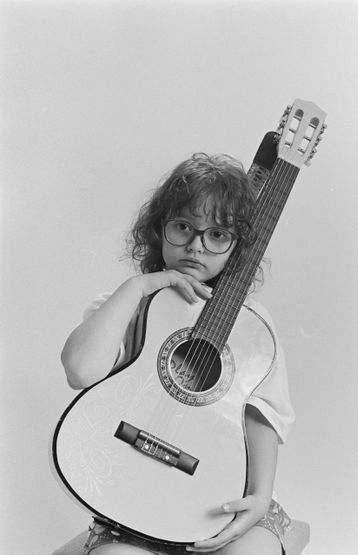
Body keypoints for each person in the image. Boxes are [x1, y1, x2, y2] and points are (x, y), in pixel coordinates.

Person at [61, 153, 295, 555]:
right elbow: (82, 371)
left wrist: (259, 498)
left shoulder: (253, 326)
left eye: (218, 235)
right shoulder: (128, 306)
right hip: (130, 504)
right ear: (159, 229)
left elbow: (263, 413)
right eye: (184, 227)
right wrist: (138, 287)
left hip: (211, 496)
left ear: (239, 246)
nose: (196, 247)